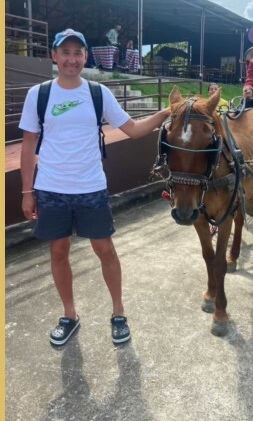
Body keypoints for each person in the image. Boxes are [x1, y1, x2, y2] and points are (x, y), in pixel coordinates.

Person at [19, 29, 171, 346]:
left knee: (105, 250)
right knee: (58, 252)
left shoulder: (98, 93)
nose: (72, 59)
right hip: (50, 188)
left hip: (90, 188)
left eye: (78, 53)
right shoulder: (40, 94)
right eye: (65, 52)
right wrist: (27, 192)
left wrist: (167, 113)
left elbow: (132, 129)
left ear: (85, 57)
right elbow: (28, 145)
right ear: (54, 56)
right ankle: (69, 315)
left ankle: (118, 313)